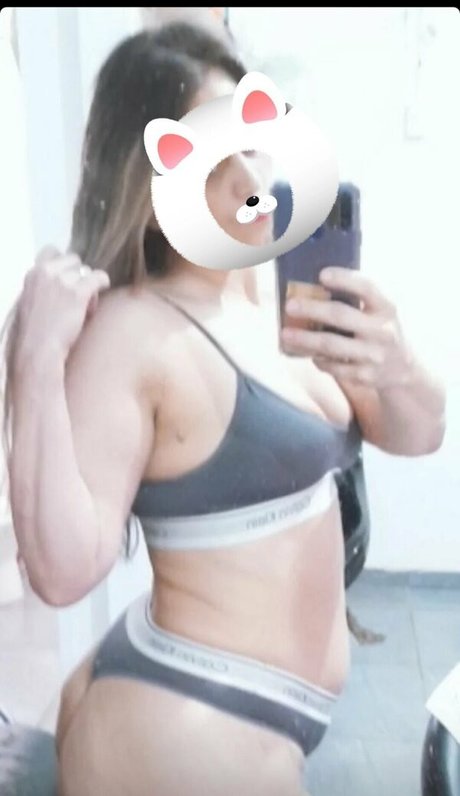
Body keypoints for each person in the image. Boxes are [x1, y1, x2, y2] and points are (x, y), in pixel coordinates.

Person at [1, 21, 446, 796]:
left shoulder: (275, 291)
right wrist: (35, 361)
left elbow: (420, 433)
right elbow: (63, 573)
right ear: (151, 187)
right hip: (181, 718)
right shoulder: (133, 329)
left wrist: (396, 361)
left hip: (250, 718)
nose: (249, 179)